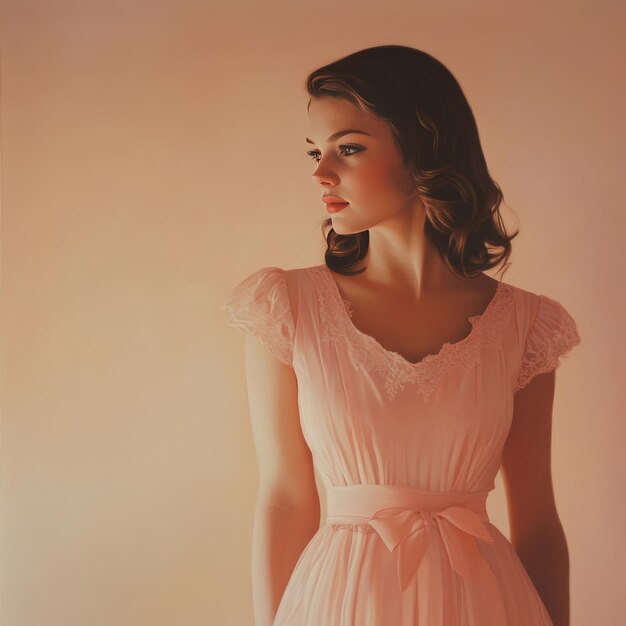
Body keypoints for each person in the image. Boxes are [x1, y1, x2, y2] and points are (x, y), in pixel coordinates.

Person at [219, 45, 581, 626]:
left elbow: (538, 520)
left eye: (350, 148)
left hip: (486, 603)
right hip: (341, 603)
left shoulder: (525, 325)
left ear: (425, 149)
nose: (321, 172)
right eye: (316, 151)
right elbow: (286, 499)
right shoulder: (287, 307)